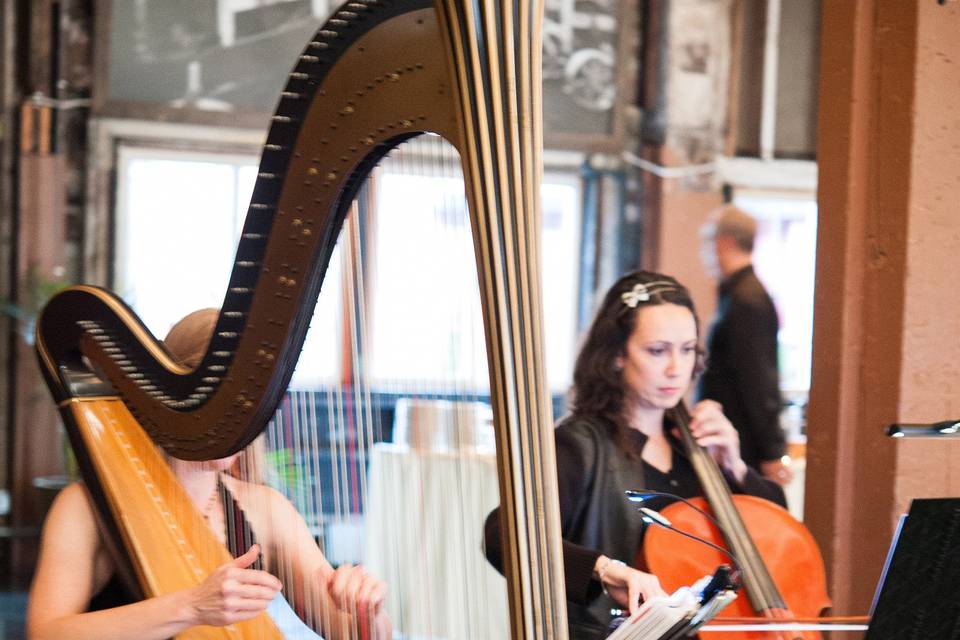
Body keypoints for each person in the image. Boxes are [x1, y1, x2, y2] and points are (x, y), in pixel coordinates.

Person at [27, 308, 392, 640]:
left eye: (251, 405)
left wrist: (365, 612)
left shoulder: (266, 509)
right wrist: (191, 607)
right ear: (171, 400)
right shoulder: (84, 507)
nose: (243, 423)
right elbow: (45, 633)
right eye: (227, 405)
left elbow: (354, 633)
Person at [484, 271, 785, 639]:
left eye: (687, 349)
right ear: (616, 356)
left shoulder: (696, 447)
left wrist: (736, 466)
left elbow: (779, 534)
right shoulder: (579, 444)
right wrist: (604, 569)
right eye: (658, 350)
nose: (677, 368)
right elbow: (503, 533)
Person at [697, 205, 792, 485]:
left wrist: (772, 452)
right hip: (733, 443)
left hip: (743, 450)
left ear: (723, 242)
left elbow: (760, 381)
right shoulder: (738, 294)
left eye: (707, 243)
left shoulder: (747, 300)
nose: (705, 253)